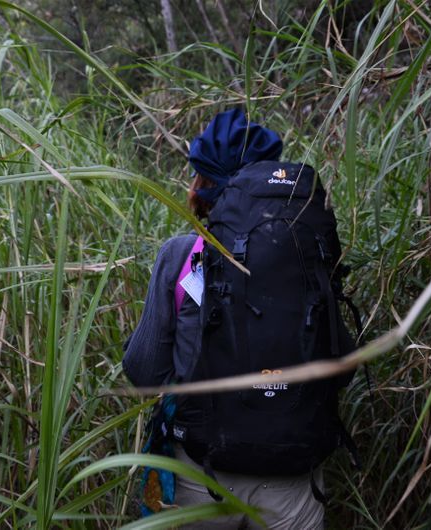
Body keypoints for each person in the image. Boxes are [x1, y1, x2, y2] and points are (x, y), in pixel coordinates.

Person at [123, 109, 328, 529]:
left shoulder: (182, 255)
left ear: (205, 184)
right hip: (293, 476)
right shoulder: (313, 253)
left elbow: (144, 371)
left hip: (202, 473)